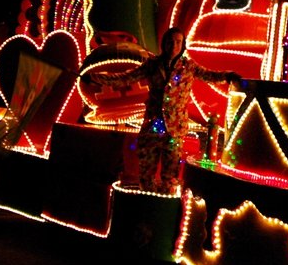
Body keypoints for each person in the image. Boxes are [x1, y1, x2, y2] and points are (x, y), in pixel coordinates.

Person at [81, 27, 241, 194]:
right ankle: (148, 200)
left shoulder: (188, 66)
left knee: (170, 174)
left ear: (183, 45)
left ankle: (165, 200)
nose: (174, 46)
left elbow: (210, 75)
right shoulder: (152, 65)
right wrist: (95, 77)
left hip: (175, 128)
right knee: (146, 170)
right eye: (170, 42)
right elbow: (125, 78)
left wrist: (228, 76)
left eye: (178, 42)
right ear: (164, 44)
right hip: (154, 124)